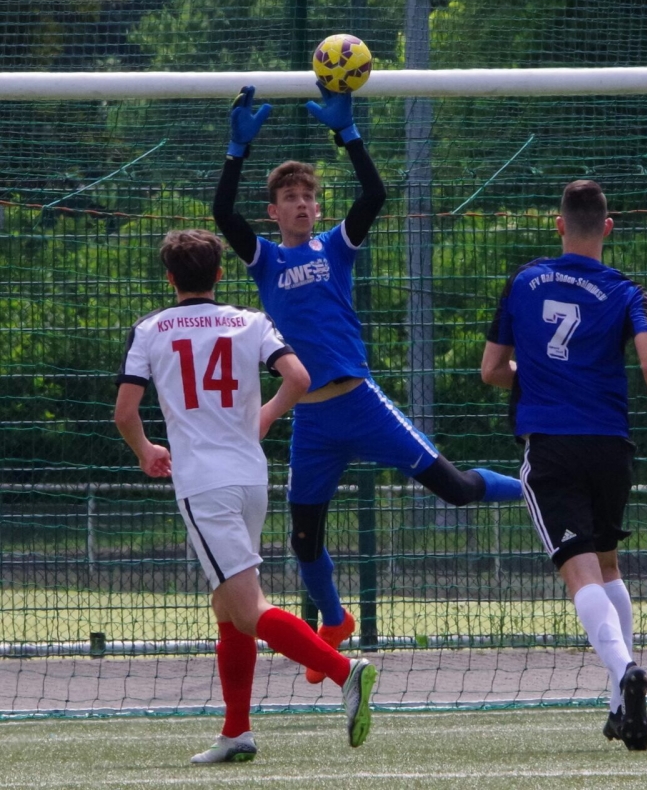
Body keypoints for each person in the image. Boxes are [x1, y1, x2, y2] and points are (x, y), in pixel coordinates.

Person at [212, 85, 523, 683]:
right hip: (312, 421)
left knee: (457, 489)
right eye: (290, 198)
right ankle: (335, 621)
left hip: (360, 403)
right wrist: (236, 151)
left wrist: (349, 134)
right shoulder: (266, 259)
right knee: (304, 541)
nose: (302, 204)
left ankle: (537, 488)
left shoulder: (335, 247)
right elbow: (224, 214)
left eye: (308, 197)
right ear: (273, 212)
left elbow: (375, 194)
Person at [113, 228, 377, 763]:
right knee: (229, 610)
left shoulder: (151, 328)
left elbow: (124, 413)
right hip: (251, 478)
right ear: (218, 273)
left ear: (170, 278)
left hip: (203, 484)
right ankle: (236, 732)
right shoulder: (249, 321)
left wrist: (145, 450)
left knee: (249, 608)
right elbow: (298, 376)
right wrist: (266, 415)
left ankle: (344, 671)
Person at [481, 179, 647, 751]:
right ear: (607, 227)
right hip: (610, 446)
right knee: (607, 565)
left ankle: (625, 671)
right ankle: (618, 707)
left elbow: (492, 370)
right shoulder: (626, 290)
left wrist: (537, 376)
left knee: (579, 575)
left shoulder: (524, 280)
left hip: (552, 446)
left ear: (559, 225)